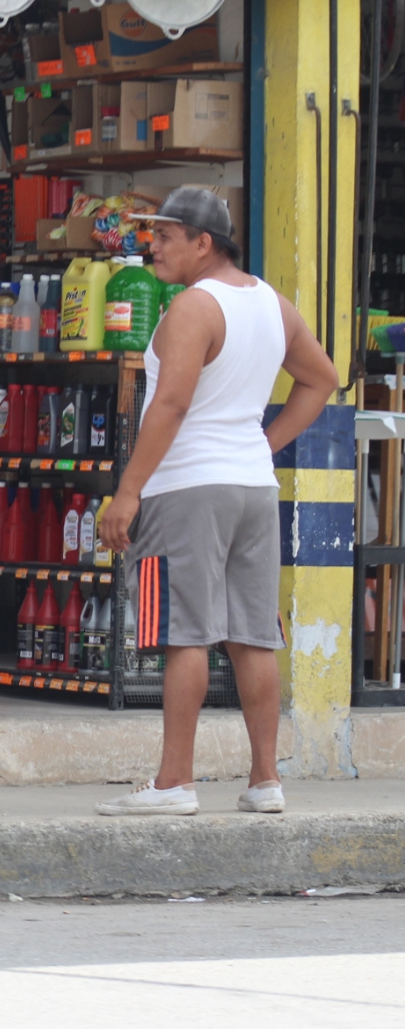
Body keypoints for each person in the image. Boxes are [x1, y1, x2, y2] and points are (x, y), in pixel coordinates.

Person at [96, 187, 339, 816]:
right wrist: (264, 442)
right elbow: (322, 379)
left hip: (186, 489)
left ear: (204, 243)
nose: (154, 246)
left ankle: (174, 783)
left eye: (166, 236)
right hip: (253, 488)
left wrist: (128, 491)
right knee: (254, 637)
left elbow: (171, 404)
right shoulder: (272, 304)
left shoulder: (193, 309)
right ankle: (265, 782)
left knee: (186, 636)